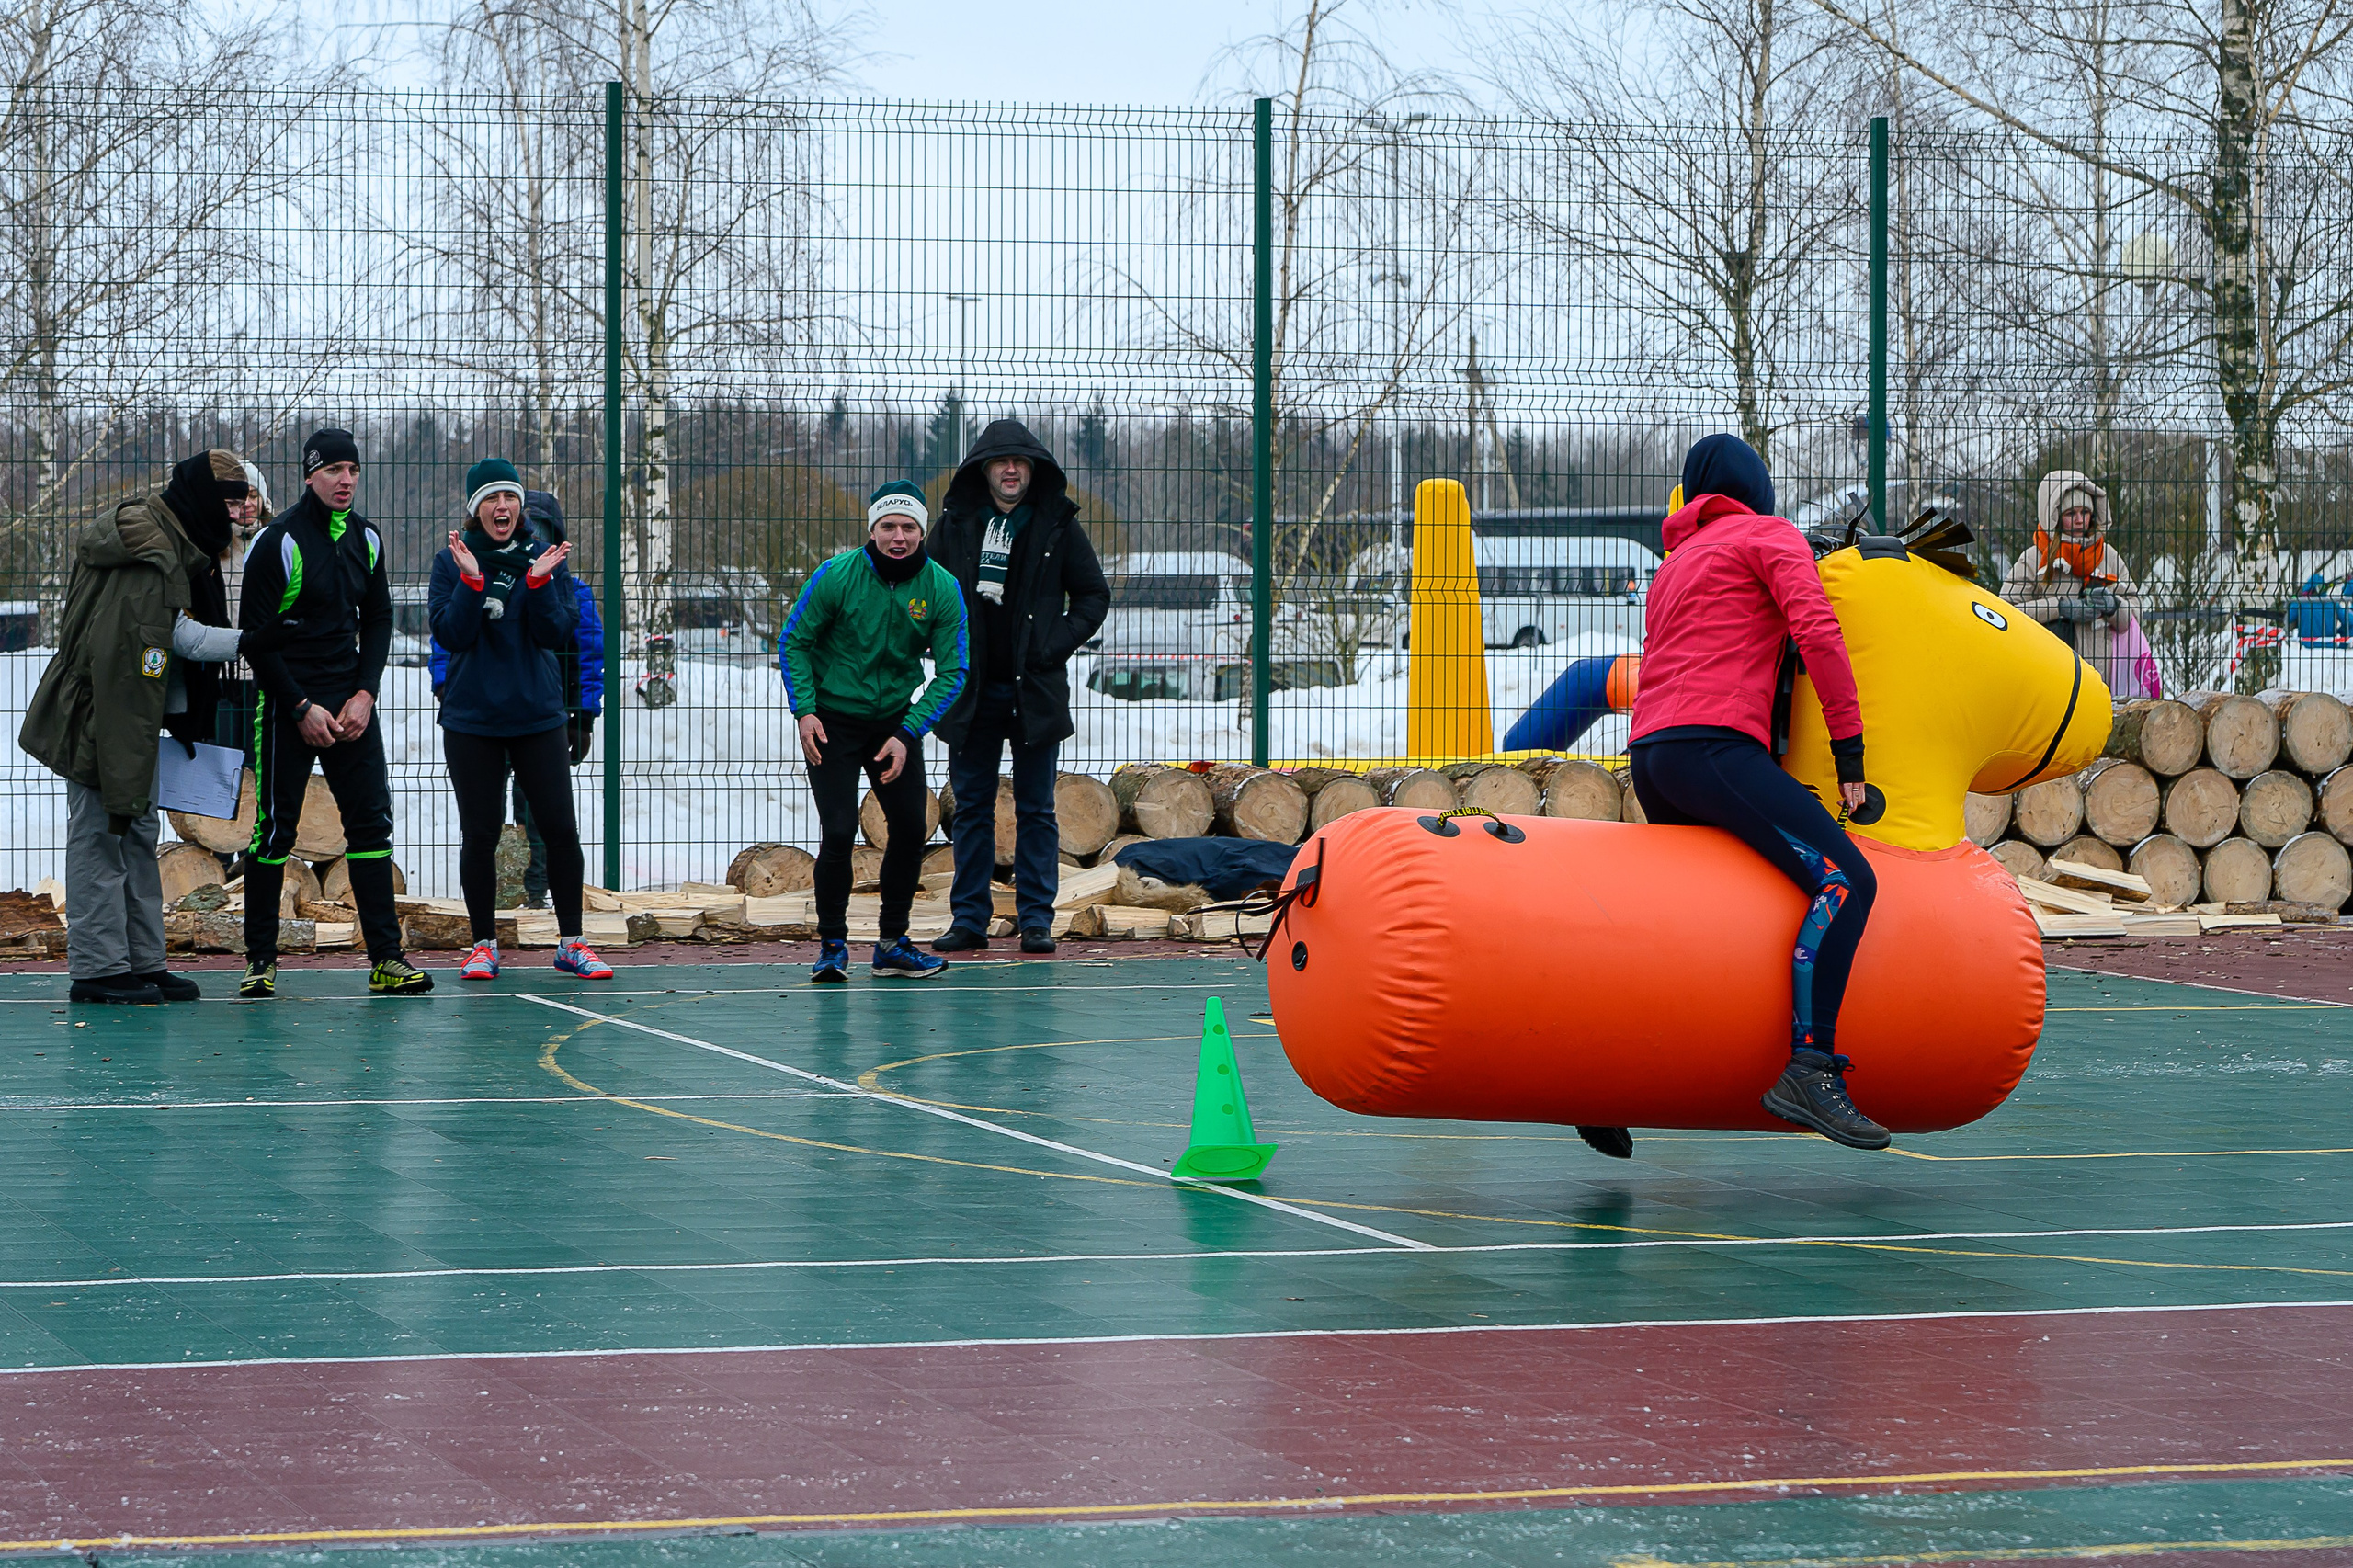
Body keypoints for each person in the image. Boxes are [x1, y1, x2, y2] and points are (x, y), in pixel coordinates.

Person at [1623, 434, 1886, 1154]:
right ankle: (1809, 1066)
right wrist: (1849, 753)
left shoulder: (1674, 564)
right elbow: (1819, 633)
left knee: (1695, 920)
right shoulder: (1771, 537)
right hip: (1714, 748)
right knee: (1846, 882)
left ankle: (1607, 1074)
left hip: (1654, 759)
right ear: (1758, 491)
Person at [19, 451, 284, 1004]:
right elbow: (148, 653)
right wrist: (247, 642)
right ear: (207, 499)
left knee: (136, 835)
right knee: (101, 836)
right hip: (104, 719)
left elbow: (165, 640)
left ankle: (141, 962)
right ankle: (98, 970)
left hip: (133, 717)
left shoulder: (171, 541)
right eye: (233, 501)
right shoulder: (150, 554)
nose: (240, 514)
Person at [237, 426, 431, 997]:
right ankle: (260, 961)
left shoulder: (367, 540)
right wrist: (299, 706)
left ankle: (386, 959)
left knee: (371, 828)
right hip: (287, 703)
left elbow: (377, 619)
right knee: (275, 831)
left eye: (353, 470)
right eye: (333, 471)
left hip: (350, 706)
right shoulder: (278, 542)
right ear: (310, 475)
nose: (345, 481)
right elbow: (255, 640)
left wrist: (365, 693)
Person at [925, 420, 1110, 954]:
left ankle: (1036, 920)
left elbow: (1093, 596)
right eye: (1001, 463)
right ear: (984, 470)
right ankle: (968, 920)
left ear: (1034, 471)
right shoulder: (956, 525)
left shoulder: (1057, 526)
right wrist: (946, 652)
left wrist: (1054, 644)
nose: (1011, 471)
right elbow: (927, 594)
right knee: (972, 809)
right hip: (972, 691)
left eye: (1020, 463)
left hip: (1035, 691)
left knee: (1036, 810)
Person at [428, 458, 611, 983]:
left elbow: (557, 633)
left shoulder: (545, 557)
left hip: (537, 716)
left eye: (508, 497)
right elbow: (452, 635)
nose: (501, 507)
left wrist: (536, 583)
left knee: (560, 830)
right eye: (490, 499)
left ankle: (572, 942)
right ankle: (482, 944)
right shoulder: (451, 561)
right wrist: (469, 581)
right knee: (479, 834)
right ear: (474, 510)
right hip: (472, 720)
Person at [779, 481, 967, 982]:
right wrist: (806, 712)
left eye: (908, 527)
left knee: (908, 827)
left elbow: (953, 672)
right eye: (888, 526)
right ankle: (832, 946)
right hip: (832, 722)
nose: (898, 536)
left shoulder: (942, 588)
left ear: (922, 532)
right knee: (838, 831)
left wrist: (908, 733)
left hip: (893, 726)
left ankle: (892, 943)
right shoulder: (836, 576)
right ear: (873, 529)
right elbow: (794, 642)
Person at [1998, 470, 2144, 695]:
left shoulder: (2109, 556)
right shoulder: (2034, 558)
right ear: (2054, 515)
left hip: (2103, 681)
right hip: (2049, 677)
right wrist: (2060, 608)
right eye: (2070, 513)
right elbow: (2004, 615)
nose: (2079, 520)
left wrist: (2113, 606)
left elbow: (2135, 614)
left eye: (2085, 511)